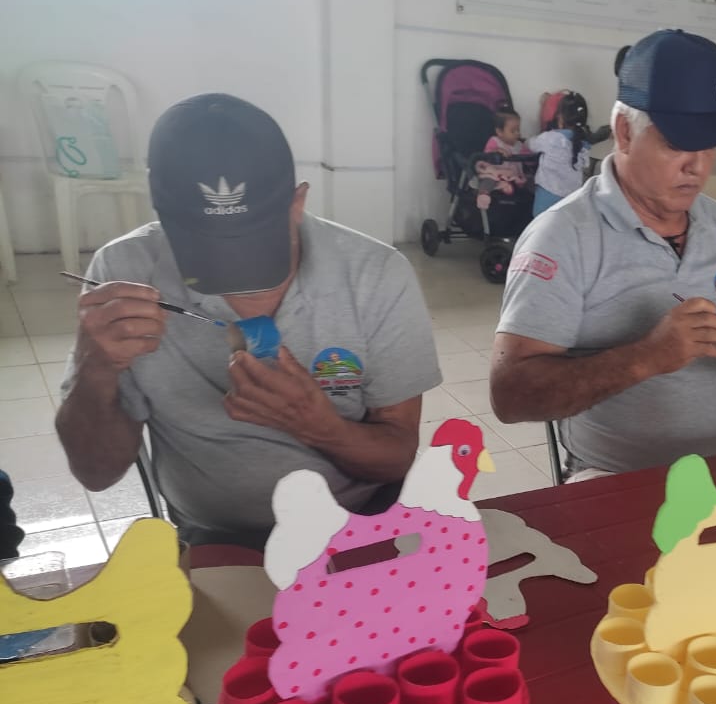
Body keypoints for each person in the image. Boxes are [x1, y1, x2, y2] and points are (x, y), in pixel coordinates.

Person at [55, 93, 441, 550]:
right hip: (214, 538)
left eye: (252, 242)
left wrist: (319, 426)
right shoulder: (124, 273)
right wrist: (94, 366)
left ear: (297, 203)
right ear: (161, 214)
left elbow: (396, 458)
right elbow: (96, 473)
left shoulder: (373, 274)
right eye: (207, 249)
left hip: (357, 523)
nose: (236, 278)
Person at [490, 29, 716, 480]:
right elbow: (510, 397)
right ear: (624, 132)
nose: (698, 166)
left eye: (710, 145)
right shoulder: (564, 236)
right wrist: (646, 357)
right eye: (678, 144)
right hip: (621, 481)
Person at [526, 92, 591, 217]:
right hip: (572, 198)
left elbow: (531, 145)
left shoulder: (551, 138)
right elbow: (585, 164)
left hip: (547, 197)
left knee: (541, 225)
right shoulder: (584, 144)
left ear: (560, 118)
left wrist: (525, 141)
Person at [474, 107, 528, 211]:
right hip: (495, 172)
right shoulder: (494, 141)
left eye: (518, 130)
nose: (517, 133)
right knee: (488, 180)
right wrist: (497, 151)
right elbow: (487, 153)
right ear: (499, 132)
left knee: (523, 182)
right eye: (513, 131)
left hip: (511, 175)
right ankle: (483, 194)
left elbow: (528, 157)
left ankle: (506, 187)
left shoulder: (519, 145)